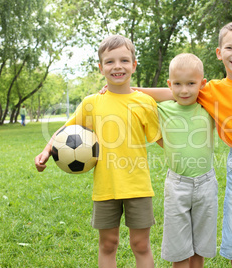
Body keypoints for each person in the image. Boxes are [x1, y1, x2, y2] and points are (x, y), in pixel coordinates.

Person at [118, 21, 232, 268]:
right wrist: (126, 90)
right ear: (219, 53)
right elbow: (172, 91)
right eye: (229, 48)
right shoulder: (210, 89)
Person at [34, 34, 163, 268]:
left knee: (141, 244)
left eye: (124, 60)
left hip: (138, 185)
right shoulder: (92, 102)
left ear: (134, 65)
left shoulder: (145, 102)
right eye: (110, 61)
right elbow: (66, 129)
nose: (117, 66)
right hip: (105, 187)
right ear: (100, 67)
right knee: (108, 244)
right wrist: (46, 150)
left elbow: (162, 139)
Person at [158, 53, 218, 267]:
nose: (184, 90)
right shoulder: (162, 108)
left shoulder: (209, 106)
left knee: (199, 249)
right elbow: (134, 96)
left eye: (191, 84)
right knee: (179, 250)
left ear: (202, 83)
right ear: (169, 84)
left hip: (206, 184)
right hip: (177, 185)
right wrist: (119, 89)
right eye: (178, 84)